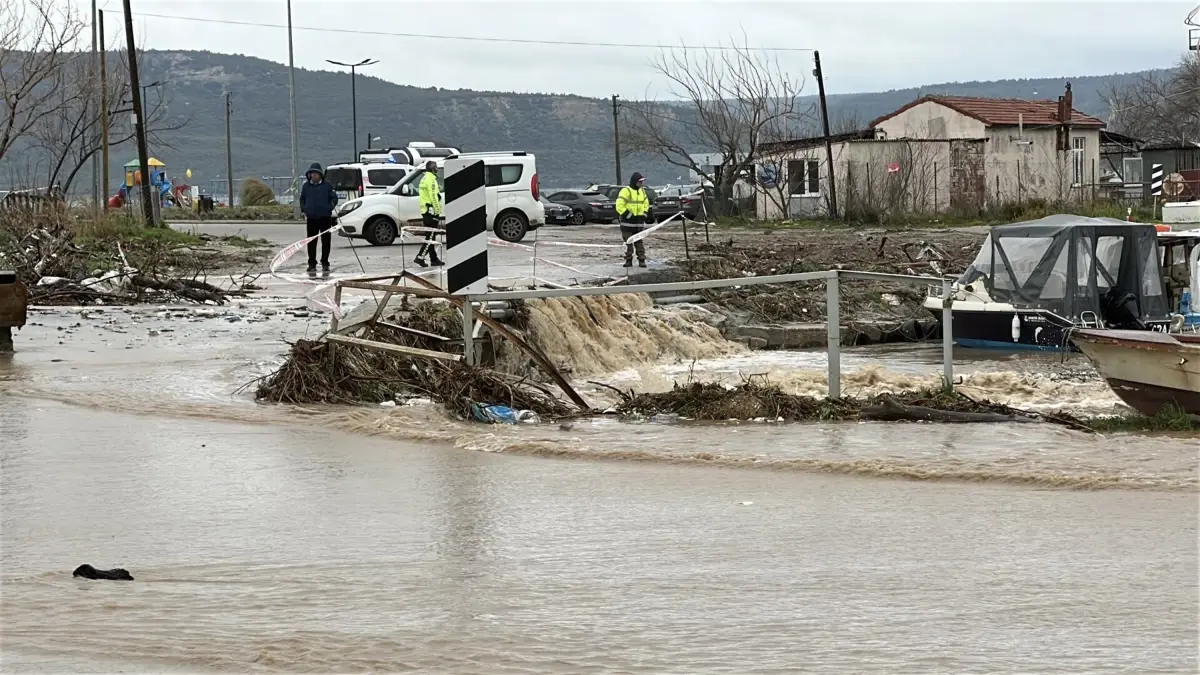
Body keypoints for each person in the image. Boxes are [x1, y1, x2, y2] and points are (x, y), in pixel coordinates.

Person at [299, 162, 339, 273]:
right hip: (311, 218)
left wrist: (329, 207)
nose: (314, 176)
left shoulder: (327, 185)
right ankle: (312, 263)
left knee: (326, 242)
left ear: (320, 175)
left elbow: (334, 198)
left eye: (316, 174)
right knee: (311, 242)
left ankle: (325, 262)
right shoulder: (306, 186)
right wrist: (304, 209)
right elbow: (302, 199)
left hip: (325, 218)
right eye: (312, 174)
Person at [615, 171, 652, 267]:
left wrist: (644, 214)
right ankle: (628, 261)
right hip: (627, 224)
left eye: (642, 182)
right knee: (628, 243)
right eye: (639, 182)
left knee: (639, 243)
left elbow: (646, 203)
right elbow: (619, 205)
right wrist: (628, 215)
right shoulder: (625, 191)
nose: (641, 184)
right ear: (634, 181)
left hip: (638, 223)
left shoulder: (642, 191)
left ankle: (641, 260)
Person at [414, 161, 443, 267]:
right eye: (436, 167)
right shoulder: (431, 180)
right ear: (432, 169)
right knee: (430, 237)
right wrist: (437, 210)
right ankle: (420, 257)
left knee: (431, 236)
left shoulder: (424, 178)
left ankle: (434, 259)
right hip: (431, 212)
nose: (438, 169)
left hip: (425, 211)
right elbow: (434, 196)